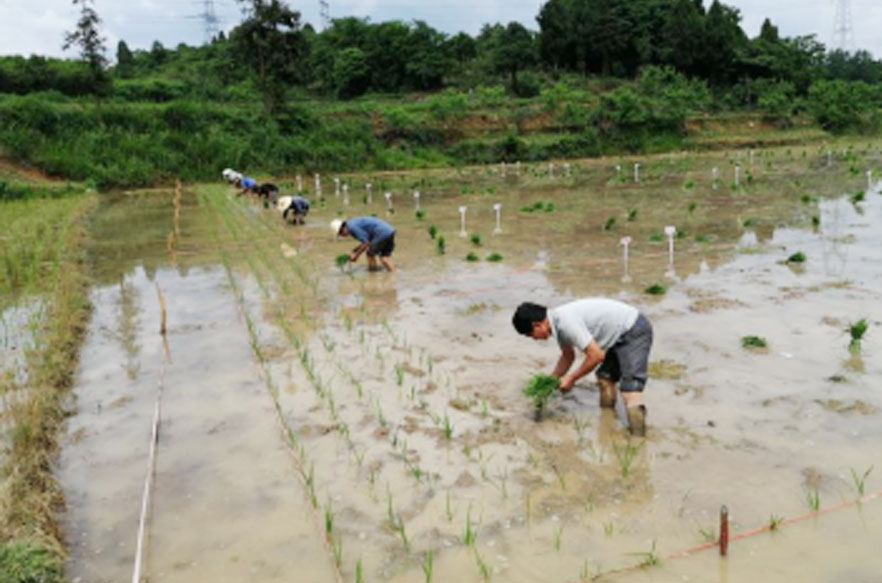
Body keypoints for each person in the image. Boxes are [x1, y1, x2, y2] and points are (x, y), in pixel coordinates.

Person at [511, 298, 653, 436]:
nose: (534, 339)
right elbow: (568, 357)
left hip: (633, 329)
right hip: (618, 334)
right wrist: (551, 380)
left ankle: (638, 440)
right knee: (605, 378)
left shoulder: (565, 323)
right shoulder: (556, 323)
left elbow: (596, 356)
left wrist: (572, 378)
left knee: (631, 389)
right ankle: (608, 419)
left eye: (530, 335)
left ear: (537, 325)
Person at [331, 216, 395, 272]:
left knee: (370, 254)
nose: (342, 236)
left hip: (381, 233)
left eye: (340, 234)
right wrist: (354, 251)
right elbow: (366, 241)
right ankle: (393, 274)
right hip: (389, 231)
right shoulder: (352, 224)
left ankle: (372, 276)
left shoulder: (352, 228)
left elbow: (366, 243)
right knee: (384, 258)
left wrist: (356, 256)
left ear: (342, 229)